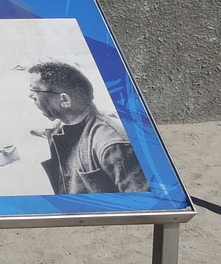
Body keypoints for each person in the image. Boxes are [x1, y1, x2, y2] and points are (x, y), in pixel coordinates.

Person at [28, 62, 149, 194]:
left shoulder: (112, 144)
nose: (31, 96)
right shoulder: (64, 126)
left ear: (64, 100)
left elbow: (142, 205)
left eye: (36, 90)